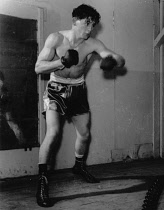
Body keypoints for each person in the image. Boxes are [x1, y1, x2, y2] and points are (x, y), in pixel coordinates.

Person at [35, 4, 125, 207]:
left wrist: (113, 60)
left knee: (84, 134)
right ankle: (42, 181)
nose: (90, 29)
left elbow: (118, 58)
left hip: (78, 90)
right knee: (53, 132)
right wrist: (61, 63)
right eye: (87, 23)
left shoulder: (92, 44)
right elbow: (38, 67)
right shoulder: (56, 38)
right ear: (76, 20)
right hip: (56, 89)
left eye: (93, 25)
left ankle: (79, 166)